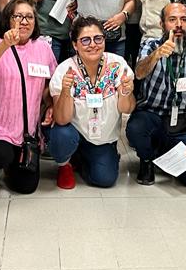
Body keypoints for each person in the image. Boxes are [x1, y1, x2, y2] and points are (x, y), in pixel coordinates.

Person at [128, 3, 186, 186]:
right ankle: (147, 160)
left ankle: (164, 153)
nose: (178, 25)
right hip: (151, 115)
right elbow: (139, 73)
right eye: (172, 20)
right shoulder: (150, 46)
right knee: (136, 128)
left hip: (181, 124)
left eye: (183, 20)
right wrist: (157, 54)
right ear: (162, 24)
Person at [0, 0, 57, 193]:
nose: (24, 21)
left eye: (29, 17)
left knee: (26, 187)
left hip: (27, 131)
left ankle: (10, 166)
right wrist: (5, 44)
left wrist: (50, 104)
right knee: (0, 155)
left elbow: (51, 83)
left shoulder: (43, 47)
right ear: (8, 19)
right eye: (18, 16)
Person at [48, 17, 136, 188]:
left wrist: (126, 92)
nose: (93, 44)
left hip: (102, 138)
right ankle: (64, 164)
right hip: (75, 132)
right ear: (75, 45)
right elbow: (62, 119)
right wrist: (65, 90)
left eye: (98, 38)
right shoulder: (65, 70)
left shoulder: (118, 64)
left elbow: (127, 108)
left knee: (105, 179)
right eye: (85, 40)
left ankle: (84, 159)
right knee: (61, 134)